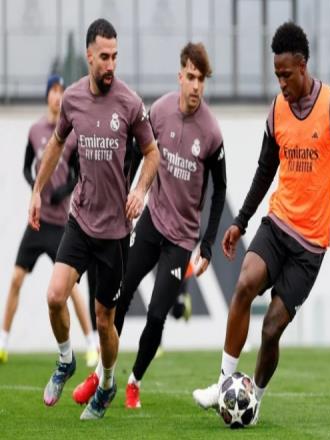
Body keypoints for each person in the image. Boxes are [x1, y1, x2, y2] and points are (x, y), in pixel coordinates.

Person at [192, 22, 330, 422]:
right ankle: (223, 383)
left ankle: (254, 401)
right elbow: (264, 169)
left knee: (271, 329)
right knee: (244, 284)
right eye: (276, 75)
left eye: (286, 75)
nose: (282, 83)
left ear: (303, 66)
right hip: (278, 223)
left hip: (310, 245)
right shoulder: (277, 110)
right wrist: (241, 221)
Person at [72, 42, 226, 410]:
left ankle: (134, 382)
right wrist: (126, 196)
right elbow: (134, 152)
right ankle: (102, 375)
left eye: (201, 80)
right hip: (152, 222)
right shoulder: (158, 111)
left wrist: (207, 244)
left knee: (156, 316)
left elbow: (221, 189)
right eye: (191, 77)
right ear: (180, 76)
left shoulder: (211, 131)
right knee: (120, 297)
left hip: (181, 238)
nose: (196, 86)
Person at [28, 18, 159, 420]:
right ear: (89, 56)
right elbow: (56, 144)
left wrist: (140, 191)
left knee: (105, 321)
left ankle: (107, 384)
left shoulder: (130, 103)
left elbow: (152, 154)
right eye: (104, 57)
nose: (110, 64)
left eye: (115, 56)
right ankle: (66, 360)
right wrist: (37, 191)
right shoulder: (72, 99)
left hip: (115, 233)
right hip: (81, 221)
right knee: (55, 296)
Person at [0, 75, 98, 366]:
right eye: (54, 91)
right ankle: (3, 342)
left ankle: (91, 343)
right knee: (16, 279)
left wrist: (62, 192)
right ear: (47, 96)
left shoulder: (72, 134)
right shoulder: (35, 131)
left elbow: (78, 175)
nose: (58, 96)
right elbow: (26, 168)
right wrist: (36, 186)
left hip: (59, 225)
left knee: (71, 288)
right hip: (37, 223)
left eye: (62, 91)